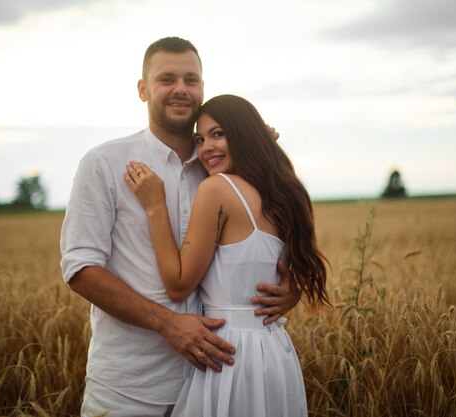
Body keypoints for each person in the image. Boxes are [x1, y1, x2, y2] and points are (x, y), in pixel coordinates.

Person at [60, 37, 300, 417]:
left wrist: (292, 288)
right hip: (130, 386)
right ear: (142, 89)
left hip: (215, 380)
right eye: (166, 79)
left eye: (192, 79)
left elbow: (275, 233)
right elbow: (80, 269)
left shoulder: (220, 164)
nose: (181, 89)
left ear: (203, 88)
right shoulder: (104, 162)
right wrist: (167, 324)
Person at [124, 94, 330, 416]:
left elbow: (178, 285)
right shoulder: (287, 192)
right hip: (274, 351)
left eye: (218, 134)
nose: (206, 147)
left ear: (244, 134)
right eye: (200, 139)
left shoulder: (217, 189)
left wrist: (155, 206)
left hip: (228, 355)